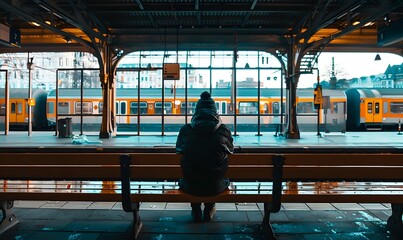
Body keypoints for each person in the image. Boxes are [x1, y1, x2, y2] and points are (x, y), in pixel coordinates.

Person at [175, 91, 234, 222]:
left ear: (196, 111)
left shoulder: (185, 130)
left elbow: (178, 150)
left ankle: (196, 208)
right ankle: (209, 208)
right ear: (215, 111)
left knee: (192, 164)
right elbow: (230, 150)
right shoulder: (224, 130)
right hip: (216, 185)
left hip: (190, 184)